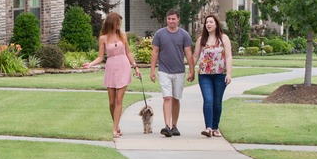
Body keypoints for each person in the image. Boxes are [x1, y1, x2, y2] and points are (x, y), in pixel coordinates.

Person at [83, 12, 141, 138]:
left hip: (123, 66)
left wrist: (135, 67)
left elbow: (128, 53)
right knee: (111, 102)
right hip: (111, 68)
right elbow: (100, 57)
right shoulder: (103, 38)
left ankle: (114, 129)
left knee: (119, 100)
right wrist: (90, 64)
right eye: (117, 22)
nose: (119, 25)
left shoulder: (122, 35)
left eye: (120, 23)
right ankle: (117, 124)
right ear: (111, 23)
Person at [149, 9, 195, 137]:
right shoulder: (159, 34)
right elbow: (155, 52)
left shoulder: (184, 35)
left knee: (176, 98)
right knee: (167, 97)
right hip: (164, 70)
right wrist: (152, 70)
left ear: (178, 19)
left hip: (179, 71)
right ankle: (167, 126)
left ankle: (174, 126)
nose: (171, 21)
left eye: (173, 19)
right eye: (169, 19)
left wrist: (192, 71)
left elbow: (188, 53)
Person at [193, 13, 233, 138]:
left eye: (211, 22)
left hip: (220, 74)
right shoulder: (201, 39)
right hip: (205, 74)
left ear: (216, 24)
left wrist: (229, 74)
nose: (208, 24)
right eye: (207, 22)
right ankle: (208, 128)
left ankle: (215, 127)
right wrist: (191, 71)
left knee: (217, 102)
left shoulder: (223, 38)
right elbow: (195, 56)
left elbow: (228, 56)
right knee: (208, 99)